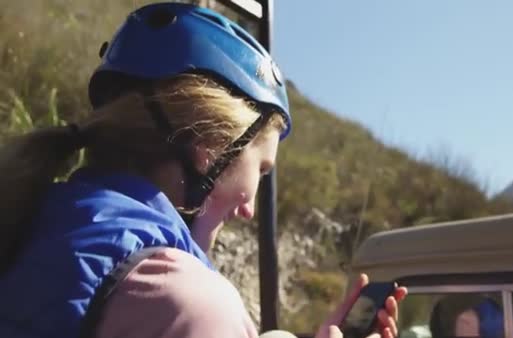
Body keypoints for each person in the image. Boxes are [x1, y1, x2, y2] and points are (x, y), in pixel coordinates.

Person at [0, 3, 407, 338]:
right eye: (260, 171)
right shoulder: (185, 304)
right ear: (209, 148)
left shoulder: (31, 215)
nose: (249, 211)